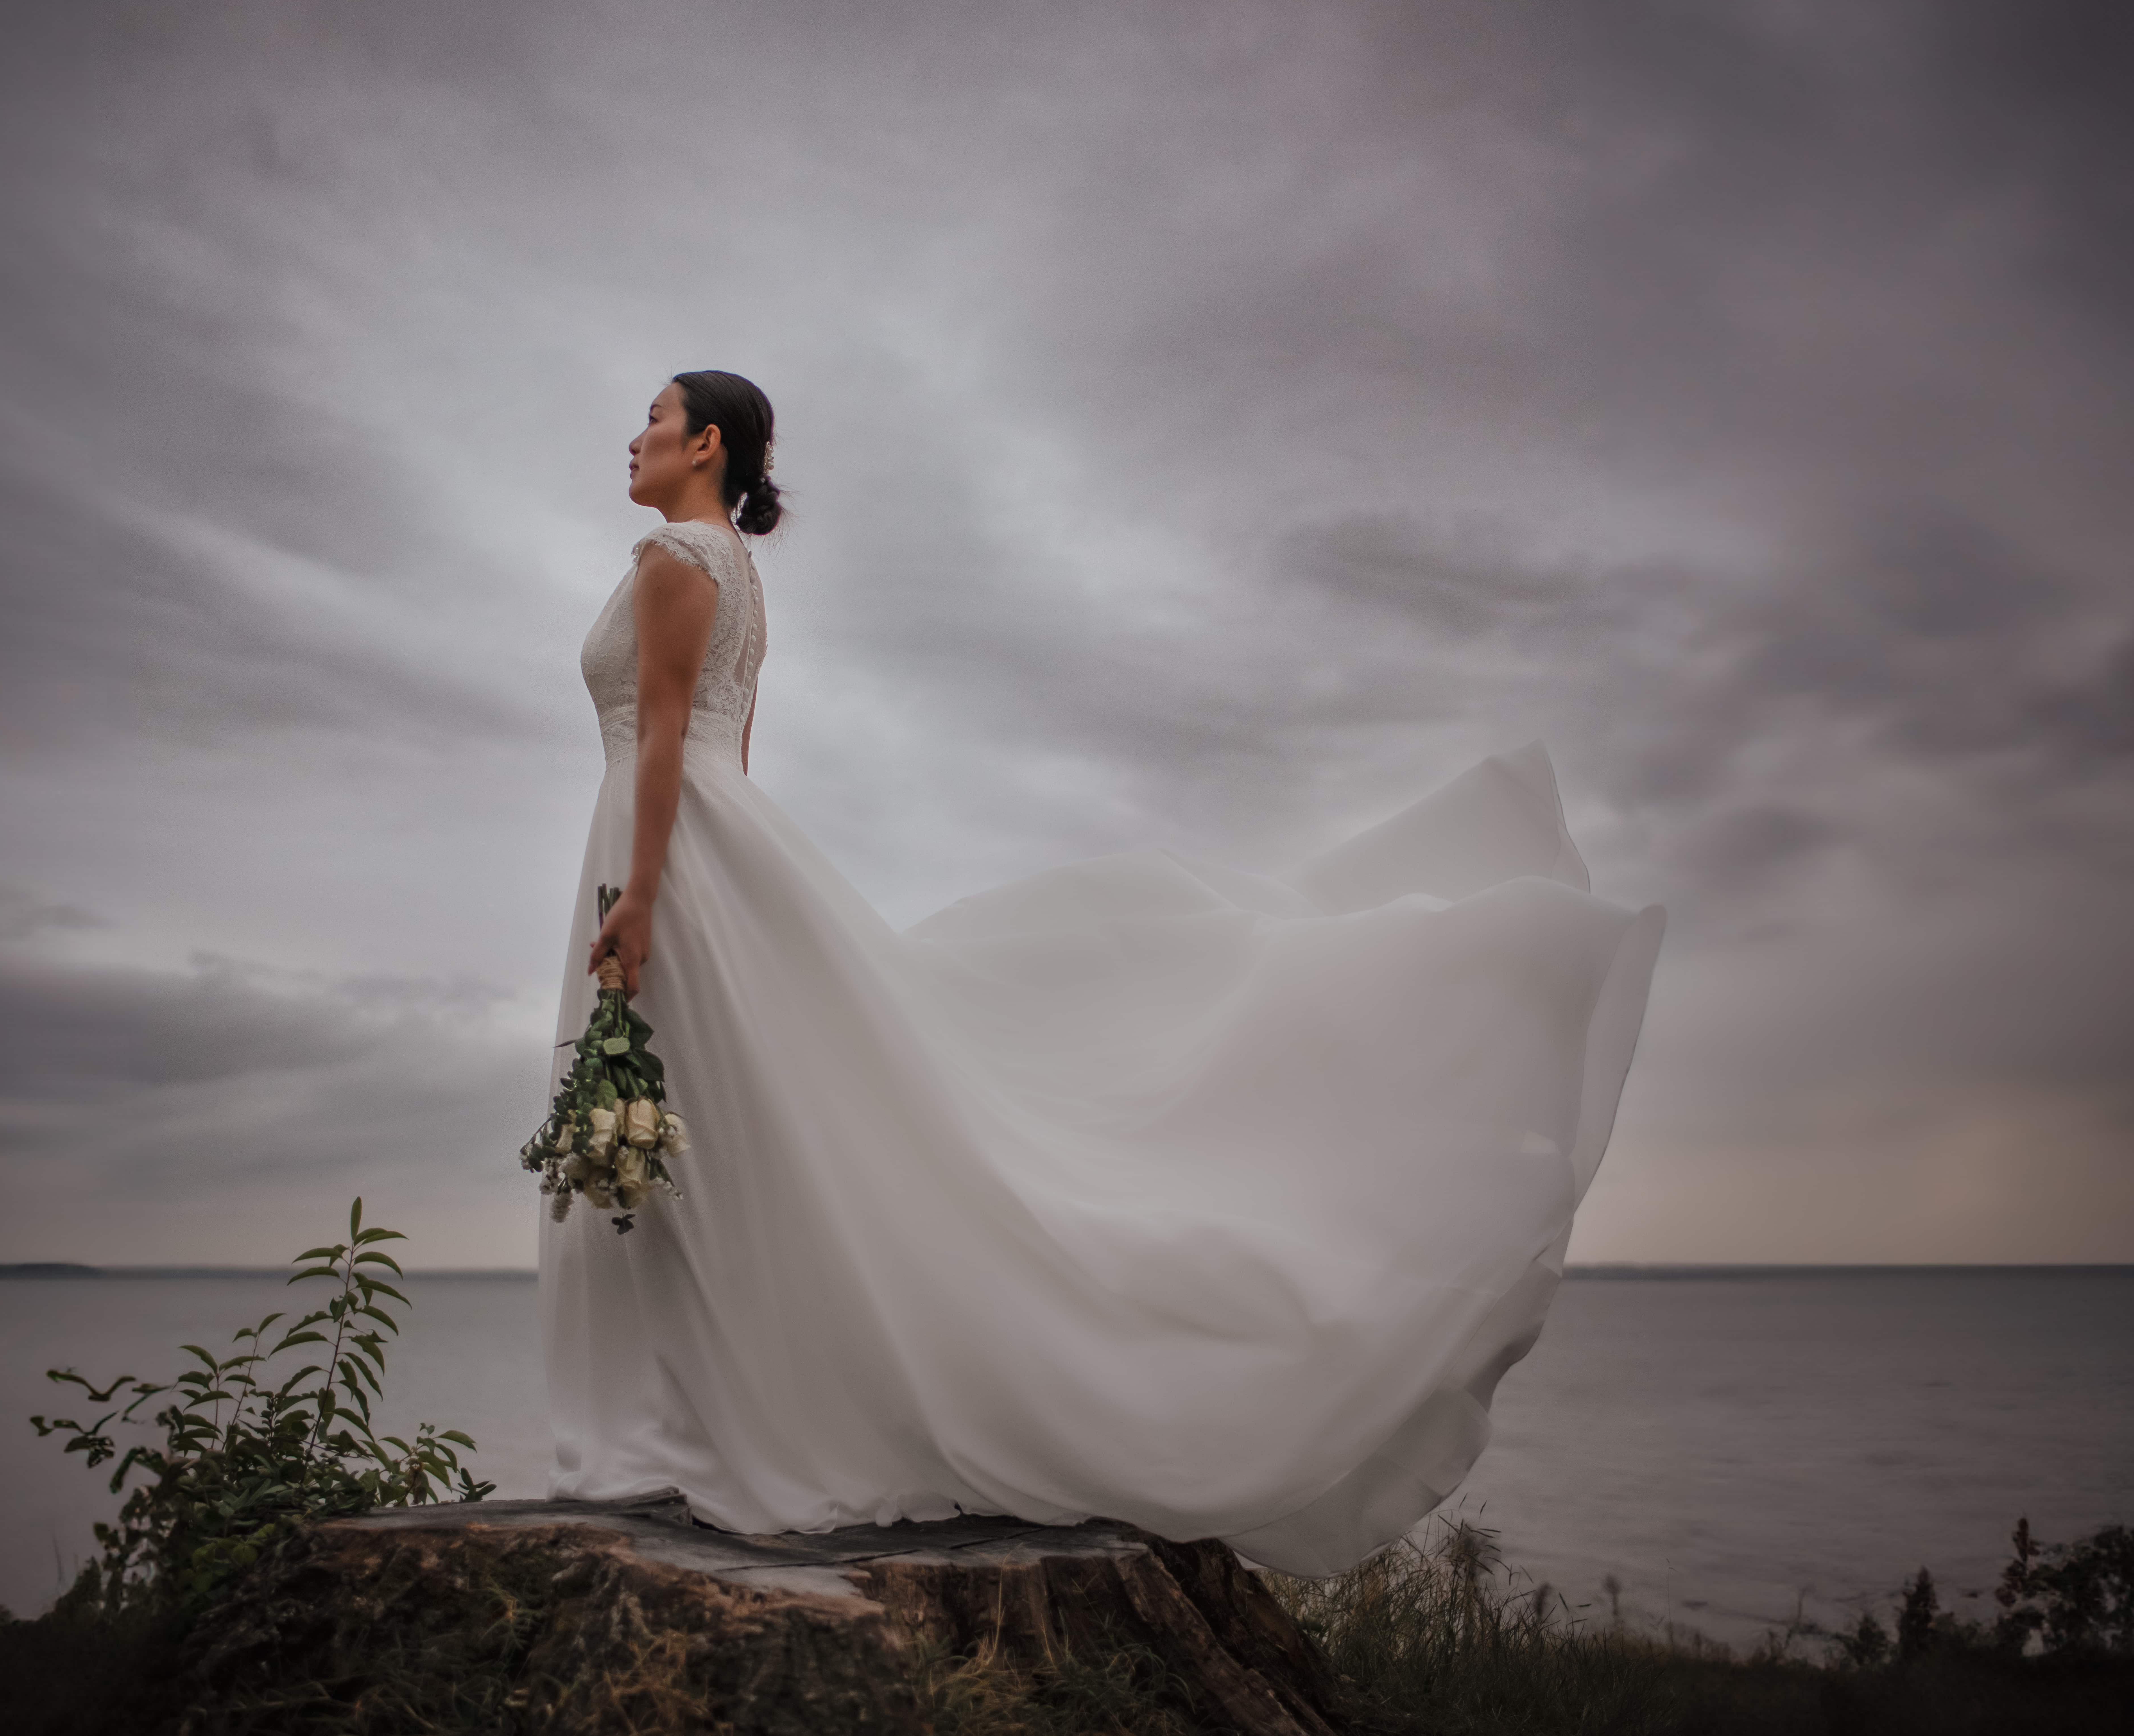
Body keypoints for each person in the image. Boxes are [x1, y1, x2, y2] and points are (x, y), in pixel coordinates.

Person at [541, 369, 1665, 1576]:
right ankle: (716, 1414)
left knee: (701, 1133)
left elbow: (664, 733)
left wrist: (647, 895)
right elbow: (731, 750)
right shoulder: (740, 577)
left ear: (705, 445)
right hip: (713, 846)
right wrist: (719, 887)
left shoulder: (673, 563)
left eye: (654, 419)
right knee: (724, 1132)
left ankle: (710, 1419)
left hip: (669, 851)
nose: (634, 436)